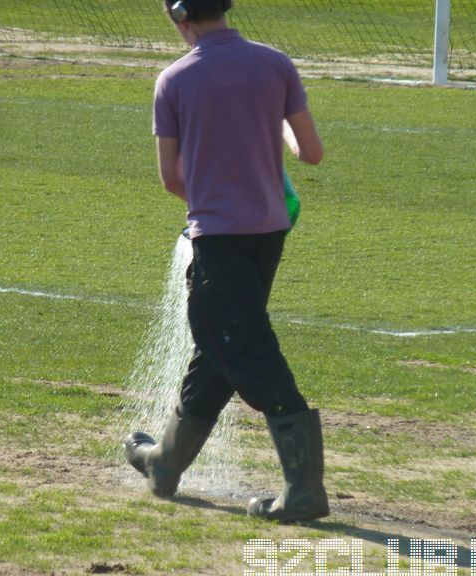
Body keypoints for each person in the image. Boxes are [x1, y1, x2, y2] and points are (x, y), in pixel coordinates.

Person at [124, 0, 329, 523]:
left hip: (218, 235)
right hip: (270, 233)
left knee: (246, 348)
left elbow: (172, 179)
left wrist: (213, 198)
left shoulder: (173, 80)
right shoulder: (275, 63)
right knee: (221, 342)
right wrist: (276, 127)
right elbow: (310, 152)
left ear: (178, 18)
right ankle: (165, 463)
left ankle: (303, 489)